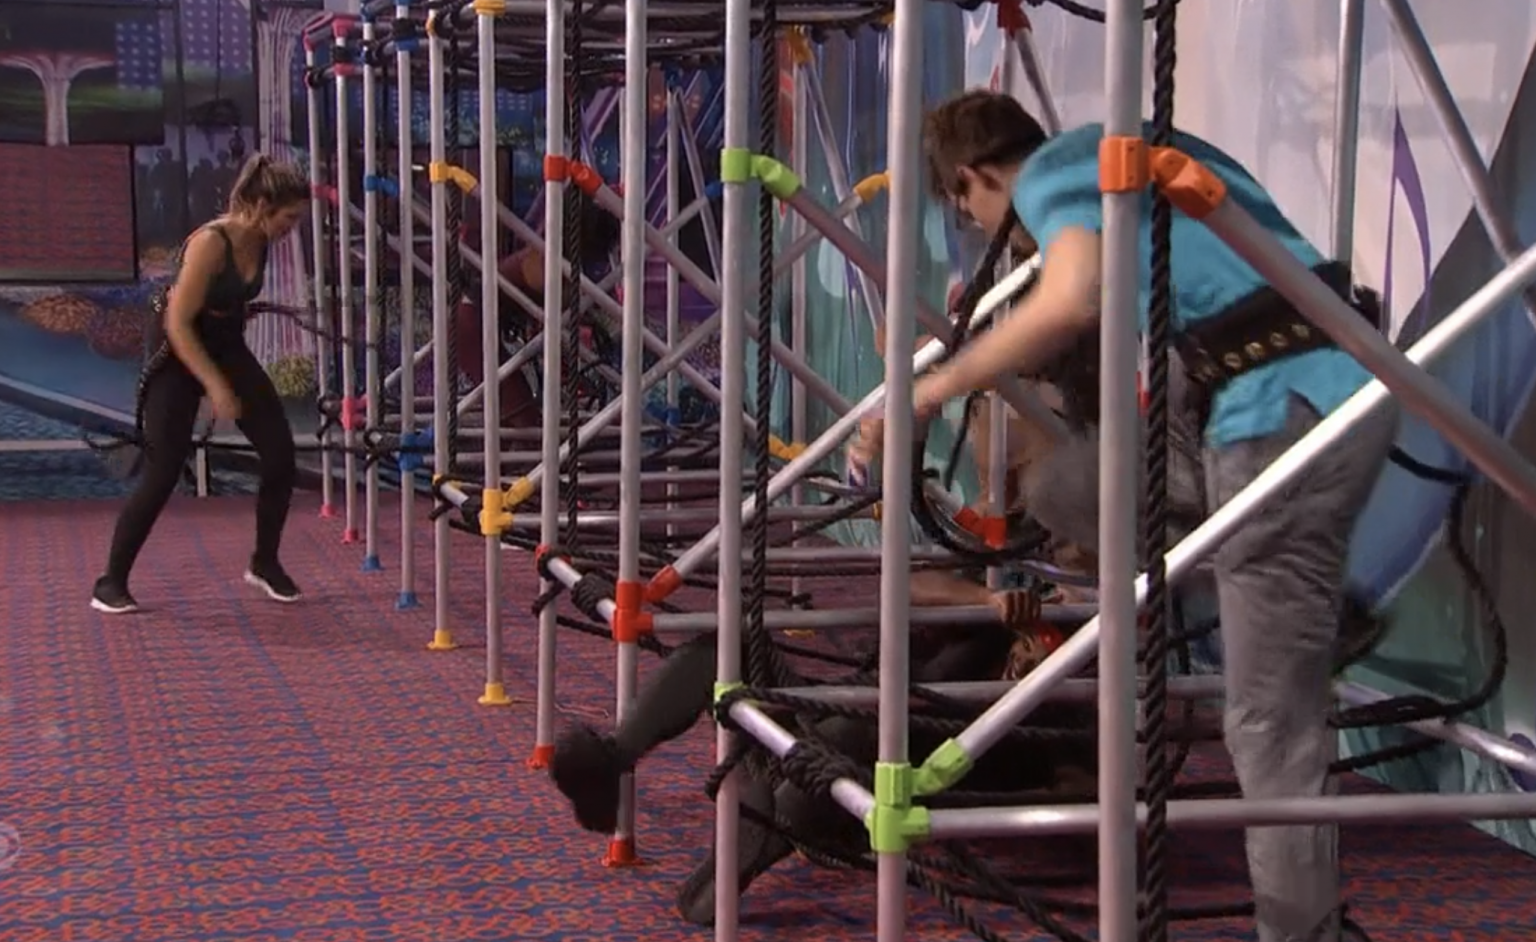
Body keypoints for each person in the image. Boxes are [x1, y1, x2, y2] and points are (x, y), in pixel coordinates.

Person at [852, 90, 1397, 942]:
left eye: (969, 213)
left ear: (972, 179)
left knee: (1266, 723)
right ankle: (1320, 609)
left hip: (1283, 409)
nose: (992, 232)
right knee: (1070, 488)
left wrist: (929, 391)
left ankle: (1300, 934)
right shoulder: (1141, 155)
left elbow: (1071, 296)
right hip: (1250, 399)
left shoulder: (1062, 170)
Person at [91, 154, 311, 615]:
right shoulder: (211, 243)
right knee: (164, 470)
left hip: (226, 345)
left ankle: (265, 562)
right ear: (262, 206)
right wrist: (216, 387)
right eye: (289, 218)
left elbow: (228, 304)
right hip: (177, 351)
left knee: (280, 455)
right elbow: (178, 323)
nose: (292, 228)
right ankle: (110, 582)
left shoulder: (262, 238)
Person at [452, 201, 621, 428]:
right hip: (471, 326)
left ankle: (514, 447)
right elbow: (550, 301)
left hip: (475, 322)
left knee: (518, 409)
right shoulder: (543, 260)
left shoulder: (551, 260)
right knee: (520, 412)